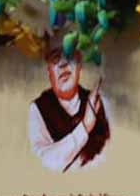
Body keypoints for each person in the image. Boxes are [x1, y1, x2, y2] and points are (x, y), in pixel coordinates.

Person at [28, 38, 110, 172]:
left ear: (79, 65)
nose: (63, 64)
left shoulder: (99, 103)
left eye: (69, 56)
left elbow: (106, 159)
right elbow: (45, 162)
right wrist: (85, 127)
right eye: (56, 58)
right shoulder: (37, 109)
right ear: (49, 72)